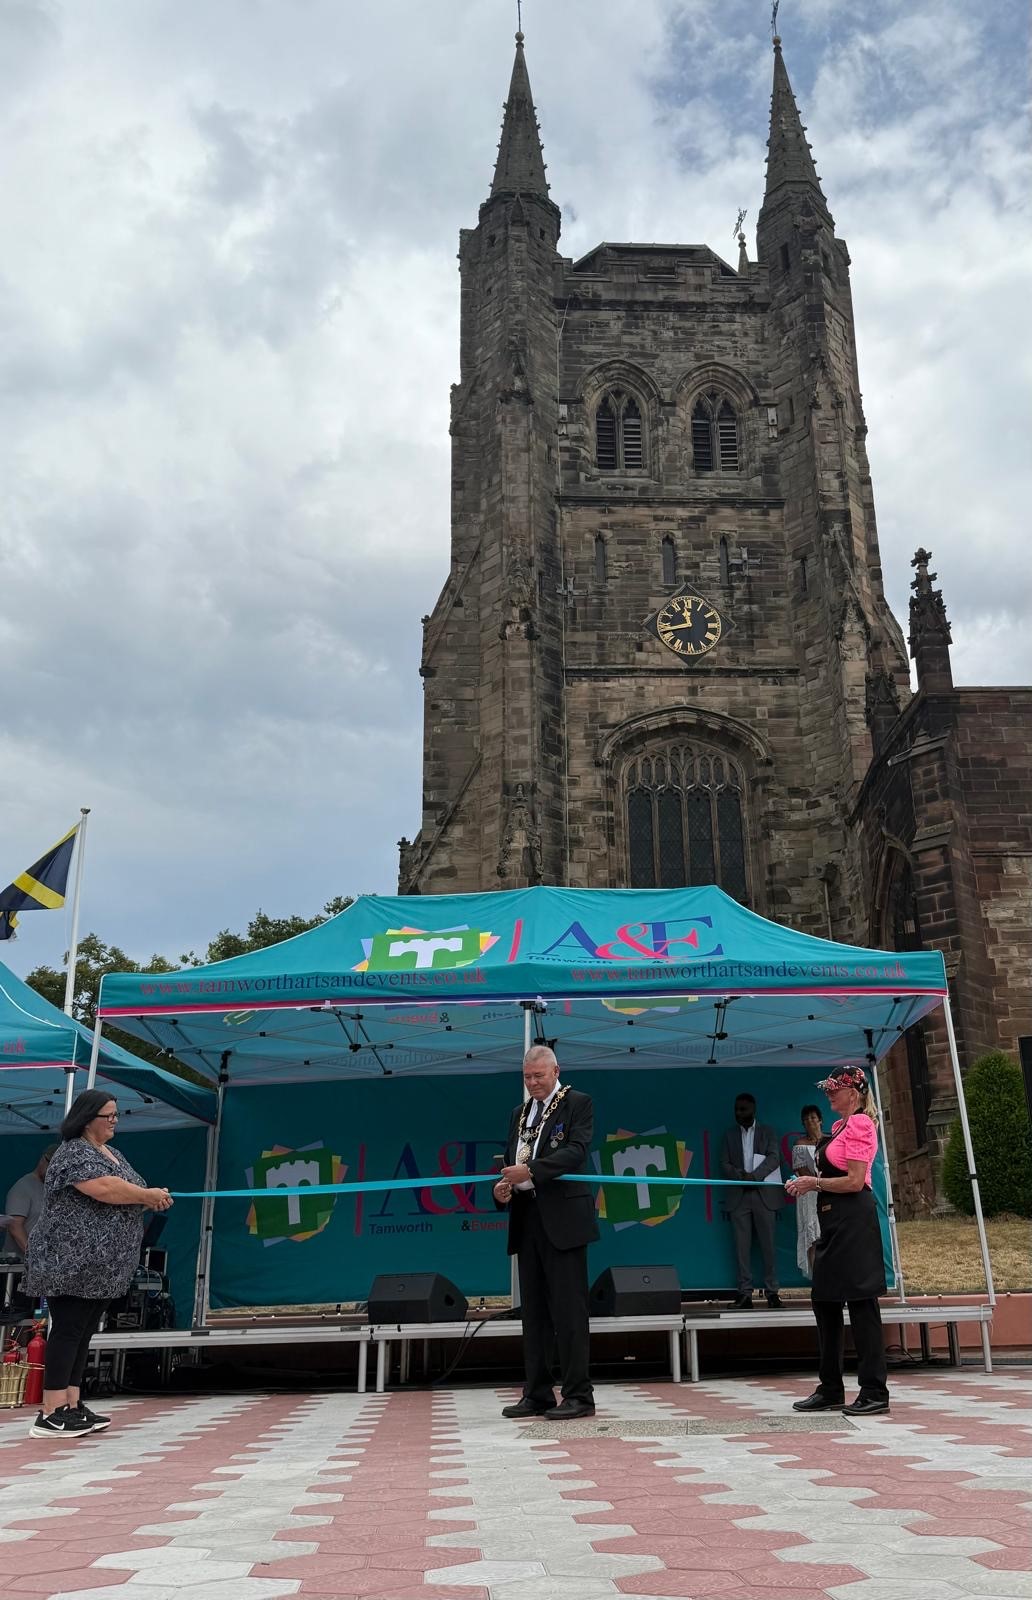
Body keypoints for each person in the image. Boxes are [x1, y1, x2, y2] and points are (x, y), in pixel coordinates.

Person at [21, 1089, 174, 1440]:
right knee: (68, 1329)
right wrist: (146, 1196)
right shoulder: (73, 1152)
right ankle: (51, 1411)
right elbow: (104, 1188)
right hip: (71, 1261)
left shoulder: (111, 1153)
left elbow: (128, 1187)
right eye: (109, 1115)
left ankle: (72, 1405)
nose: (115, 1121)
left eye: (117, 1114)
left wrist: (152, 1196)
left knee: (84, 1331)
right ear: (87, 1118)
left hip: (102, 1266)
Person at [494, 1044, 599, 1420]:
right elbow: (511, 1162)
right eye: (527, 1077)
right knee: (533, 1312)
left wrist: (533, 1171)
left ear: (556, 1071)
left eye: (539, 1075)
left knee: (569, 1311)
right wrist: (504, 1187)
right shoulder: (518, 1114)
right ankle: (537, 1393)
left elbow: (576, 1152)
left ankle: (578, 1395)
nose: (533, 1082)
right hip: (527, 1218)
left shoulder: (577, 1103)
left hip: (565, 1220)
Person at [785, 1065, 889, 1417]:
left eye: (836, 1088)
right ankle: (830, 1387)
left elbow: (856, 1181)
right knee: (824, 1300)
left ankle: (874, 1390)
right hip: (832, 1219)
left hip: (855, 1220)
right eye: (828, 1087)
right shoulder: (836, 1127)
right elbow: (830, 1175)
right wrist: (804, 1181)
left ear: (854, 1093)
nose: (829, 1093)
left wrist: (814, 1184)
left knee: (862, 1304)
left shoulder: (860, 1124)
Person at [721, 1092, 785, 1308]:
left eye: (743, 1109)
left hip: (763, 1195)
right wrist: (742, 1177)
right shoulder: (729, 1135)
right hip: (739, 1195)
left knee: (768, 1246)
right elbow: (725, 1163)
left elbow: (775, 1157)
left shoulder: (767, 1132)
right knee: (741, 1247)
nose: (738, 1113)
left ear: (753, 1110)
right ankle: (745, 1294)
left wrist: (755, 1177)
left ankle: (772, 1293)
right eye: (736, 1109)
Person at [3, 1145, 58, 1258]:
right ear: (43, 1159)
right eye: (52, 1167)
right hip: (19, 1266)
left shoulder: (53, 1188)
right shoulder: (22, 1187)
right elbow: (15, 1226)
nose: (54, 1172)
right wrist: (34, 1257)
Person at [791, 1106, 824, 1278]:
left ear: (820, 1120)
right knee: (812, 1238)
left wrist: (826, 1182)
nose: (810, 1121)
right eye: (806, 1119)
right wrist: (817, 1182)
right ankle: (818, 1279)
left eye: (812, 1117)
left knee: (827, 1236)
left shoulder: (830, 1140)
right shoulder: (799, 1144)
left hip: (829, 1191)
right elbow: (800, 1170)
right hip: (809, 1194)